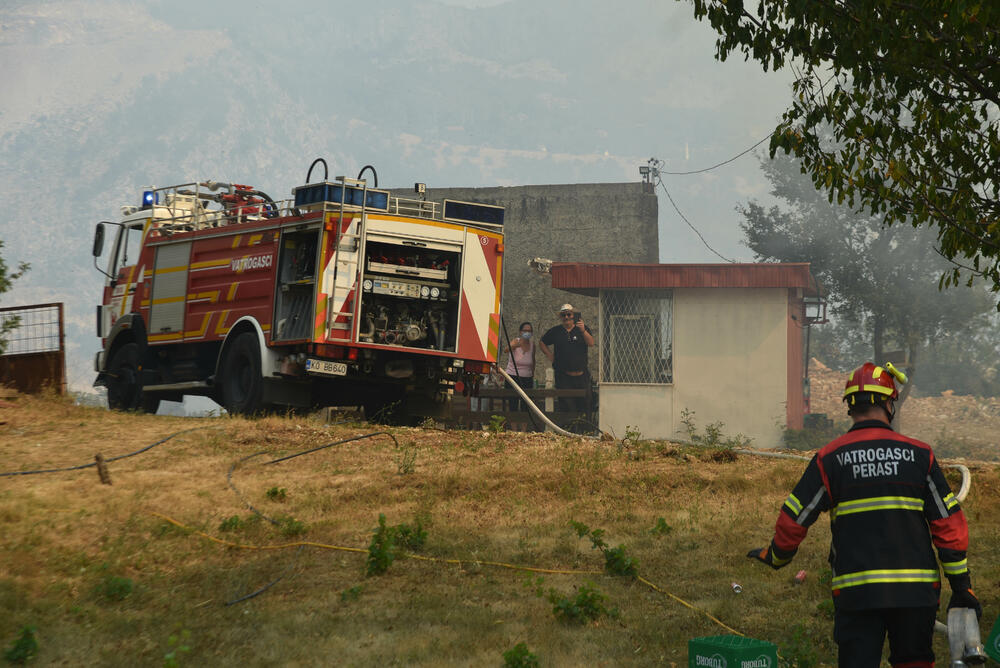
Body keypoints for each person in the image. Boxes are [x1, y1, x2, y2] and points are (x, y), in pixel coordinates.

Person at [746, 362, 980, 668]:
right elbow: (947, 524)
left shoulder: (830, 458)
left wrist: (777, 556)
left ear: (850, 407)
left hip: (858, 593)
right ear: (888, 402)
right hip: (915, 593)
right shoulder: (920, 455)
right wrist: (962, 586)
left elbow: (795, 516)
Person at [539, 304, 594, 413]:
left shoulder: (582, 329)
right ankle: (568, 429)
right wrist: (550, 356)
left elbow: (591, 343)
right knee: (566, 406)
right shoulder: (556, 331)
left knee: (584, 406)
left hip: (581, 376)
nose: (566, 317)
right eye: (563, 315)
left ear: (573, 315)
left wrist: (583, 330)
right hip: (563, 377)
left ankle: (583, 429)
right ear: (561, 317)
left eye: (569, 314)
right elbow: (542, 342)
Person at [504, 321, 535, 412]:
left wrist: (532, 374)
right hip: (513, 377)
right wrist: (514, 346)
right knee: (513, 404)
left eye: (529, 331)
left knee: (526, 405)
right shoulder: (515, 341)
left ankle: (524, 426)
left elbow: (533, 361)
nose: (527, 333)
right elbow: (506, 350)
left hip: (527, 378)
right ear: (520, 331)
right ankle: (514, 426)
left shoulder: (533, 345)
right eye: (525, 330)